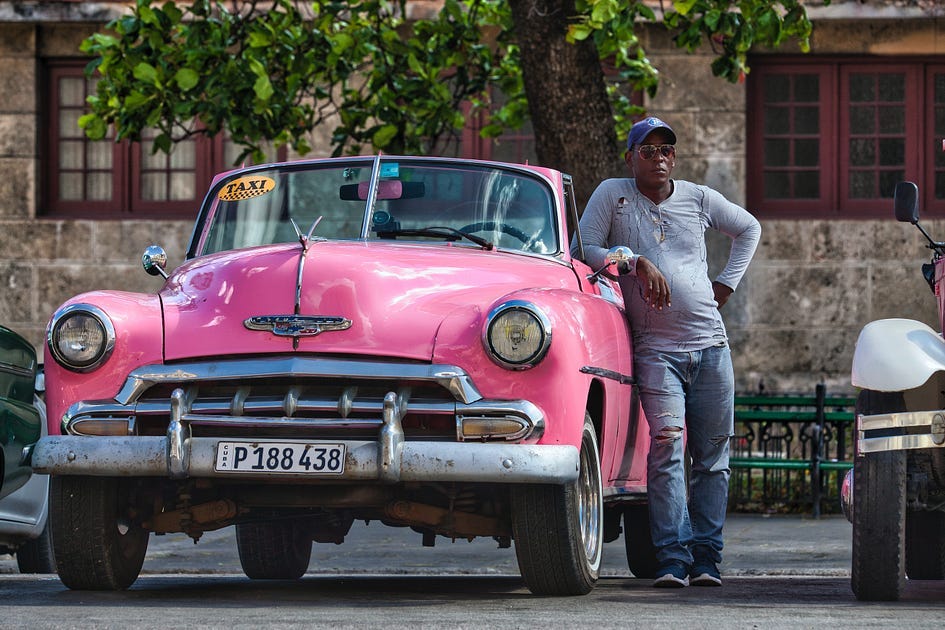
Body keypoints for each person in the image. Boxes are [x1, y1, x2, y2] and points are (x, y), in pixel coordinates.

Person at [577, 116, 761, 588]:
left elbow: (749, 229)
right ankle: (673, 557)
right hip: (656, 349)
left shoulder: (699, 198)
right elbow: (585, 249)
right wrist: (634, 262)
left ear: (674, 158)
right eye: (647, 150)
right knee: (667, 447)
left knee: (713, 457)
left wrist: (725, 284)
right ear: (631, 157)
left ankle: (706, 559)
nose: (658, 157)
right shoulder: (613, 194)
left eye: (666, 150)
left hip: (711, 346)